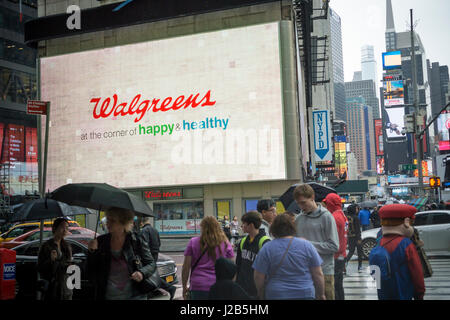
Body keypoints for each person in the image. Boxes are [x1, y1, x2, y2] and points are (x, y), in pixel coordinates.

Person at [87, 207, 156, 300]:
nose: (108, 223)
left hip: (135, 295)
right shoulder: (101, 241)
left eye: (113, 220)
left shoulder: (136, 240)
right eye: (108, 219)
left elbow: (151, 264)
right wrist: (92, 252)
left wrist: (141, 273)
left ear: (124, 223)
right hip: (108, 295)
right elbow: (91, 270)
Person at [252, 214, 325, 300]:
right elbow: (318, 273)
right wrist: (321, 294)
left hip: (276, 294)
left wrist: (260, 293)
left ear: (273, 229)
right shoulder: (307, 245)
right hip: (305, 293)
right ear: (293, 227)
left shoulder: (267, 248)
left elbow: (258, 276)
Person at [369, 204, 425, 300]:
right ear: (406, 222)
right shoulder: (406, 244)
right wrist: (420, 293)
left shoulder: (379, 242)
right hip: (402, 292)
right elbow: (417, 272)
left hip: (383, 293)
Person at [293, 184, 339, 300]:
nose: (301, 206)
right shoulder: (298, 219)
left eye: (303, 202)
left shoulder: (326, 217)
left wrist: (308, 244)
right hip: (304, 273)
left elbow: (334, 246)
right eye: (298, 203)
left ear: (312, 197)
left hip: (324, 271)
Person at [182, 216, 234, 300]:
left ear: (203, 227)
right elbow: (232, 267)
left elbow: (186, 267)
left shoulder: (193, 242)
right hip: (219, 285)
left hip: (198, 285)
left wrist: (184, 287)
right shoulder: (225, 243)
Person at [236, 211, 271, 298]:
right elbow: (238, 264)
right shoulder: (243, 241)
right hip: (243, 288)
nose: (242, 226)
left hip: (258, 289)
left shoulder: (265, 242)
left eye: (244, 223)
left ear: (251, 225)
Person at [140, 216, 176, 300]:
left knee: (149, 275)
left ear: (142, 223)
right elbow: (159, 243)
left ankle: (169, 288)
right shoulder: (155, 230)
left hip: (148, 256)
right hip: (155, 254)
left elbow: (144, 245)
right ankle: (161, 289)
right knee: (153, 274)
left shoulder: (144, 231)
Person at [37, 217, 73, 300]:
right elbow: (40, 267)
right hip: (53, 288)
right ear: (54, 228)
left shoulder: (67, 246)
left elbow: (68, 265)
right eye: (62, 227)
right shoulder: (47, 246)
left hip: (66, 286)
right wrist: (51, 260)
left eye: (67, 228)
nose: (65, 230)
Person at [323, 193, 348, 300]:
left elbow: (331, 239)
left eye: (327, 203)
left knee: (334, 286)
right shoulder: (342, 215)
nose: (325, 206)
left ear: (331, 204)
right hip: (341, 254)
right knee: (339, 286)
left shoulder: (334, 217)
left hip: (336, 256)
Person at [345, 204, 363, 272]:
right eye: (356, 208)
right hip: (356, 237)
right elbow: (358, 229)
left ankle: (345, 262)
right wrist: (359, 238)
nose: (357, 210)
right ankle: (360, 266)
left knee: (351, 251)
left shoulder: (346, 217)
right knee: (359, 252)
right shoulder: (356, 218)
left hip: (349, 237)